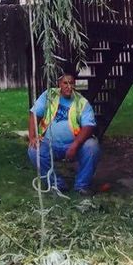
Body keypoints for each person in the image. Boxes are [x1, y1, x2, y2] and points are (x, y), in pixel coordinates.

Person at [27, 66, 100, 196]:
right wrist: (33, 136)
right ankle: (56, 184)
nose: (69, 86)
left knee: (92, 146)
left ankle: (82, 185)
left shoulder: (82, 102)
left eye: (71, 83)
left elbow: (89, 126)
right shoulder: (49, 95)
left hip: (73, 145)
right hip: (50, 143)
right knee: (34, 150)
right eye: (65, 83)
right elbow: (34, 114)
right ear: (59, 83)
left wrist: (75, 145)